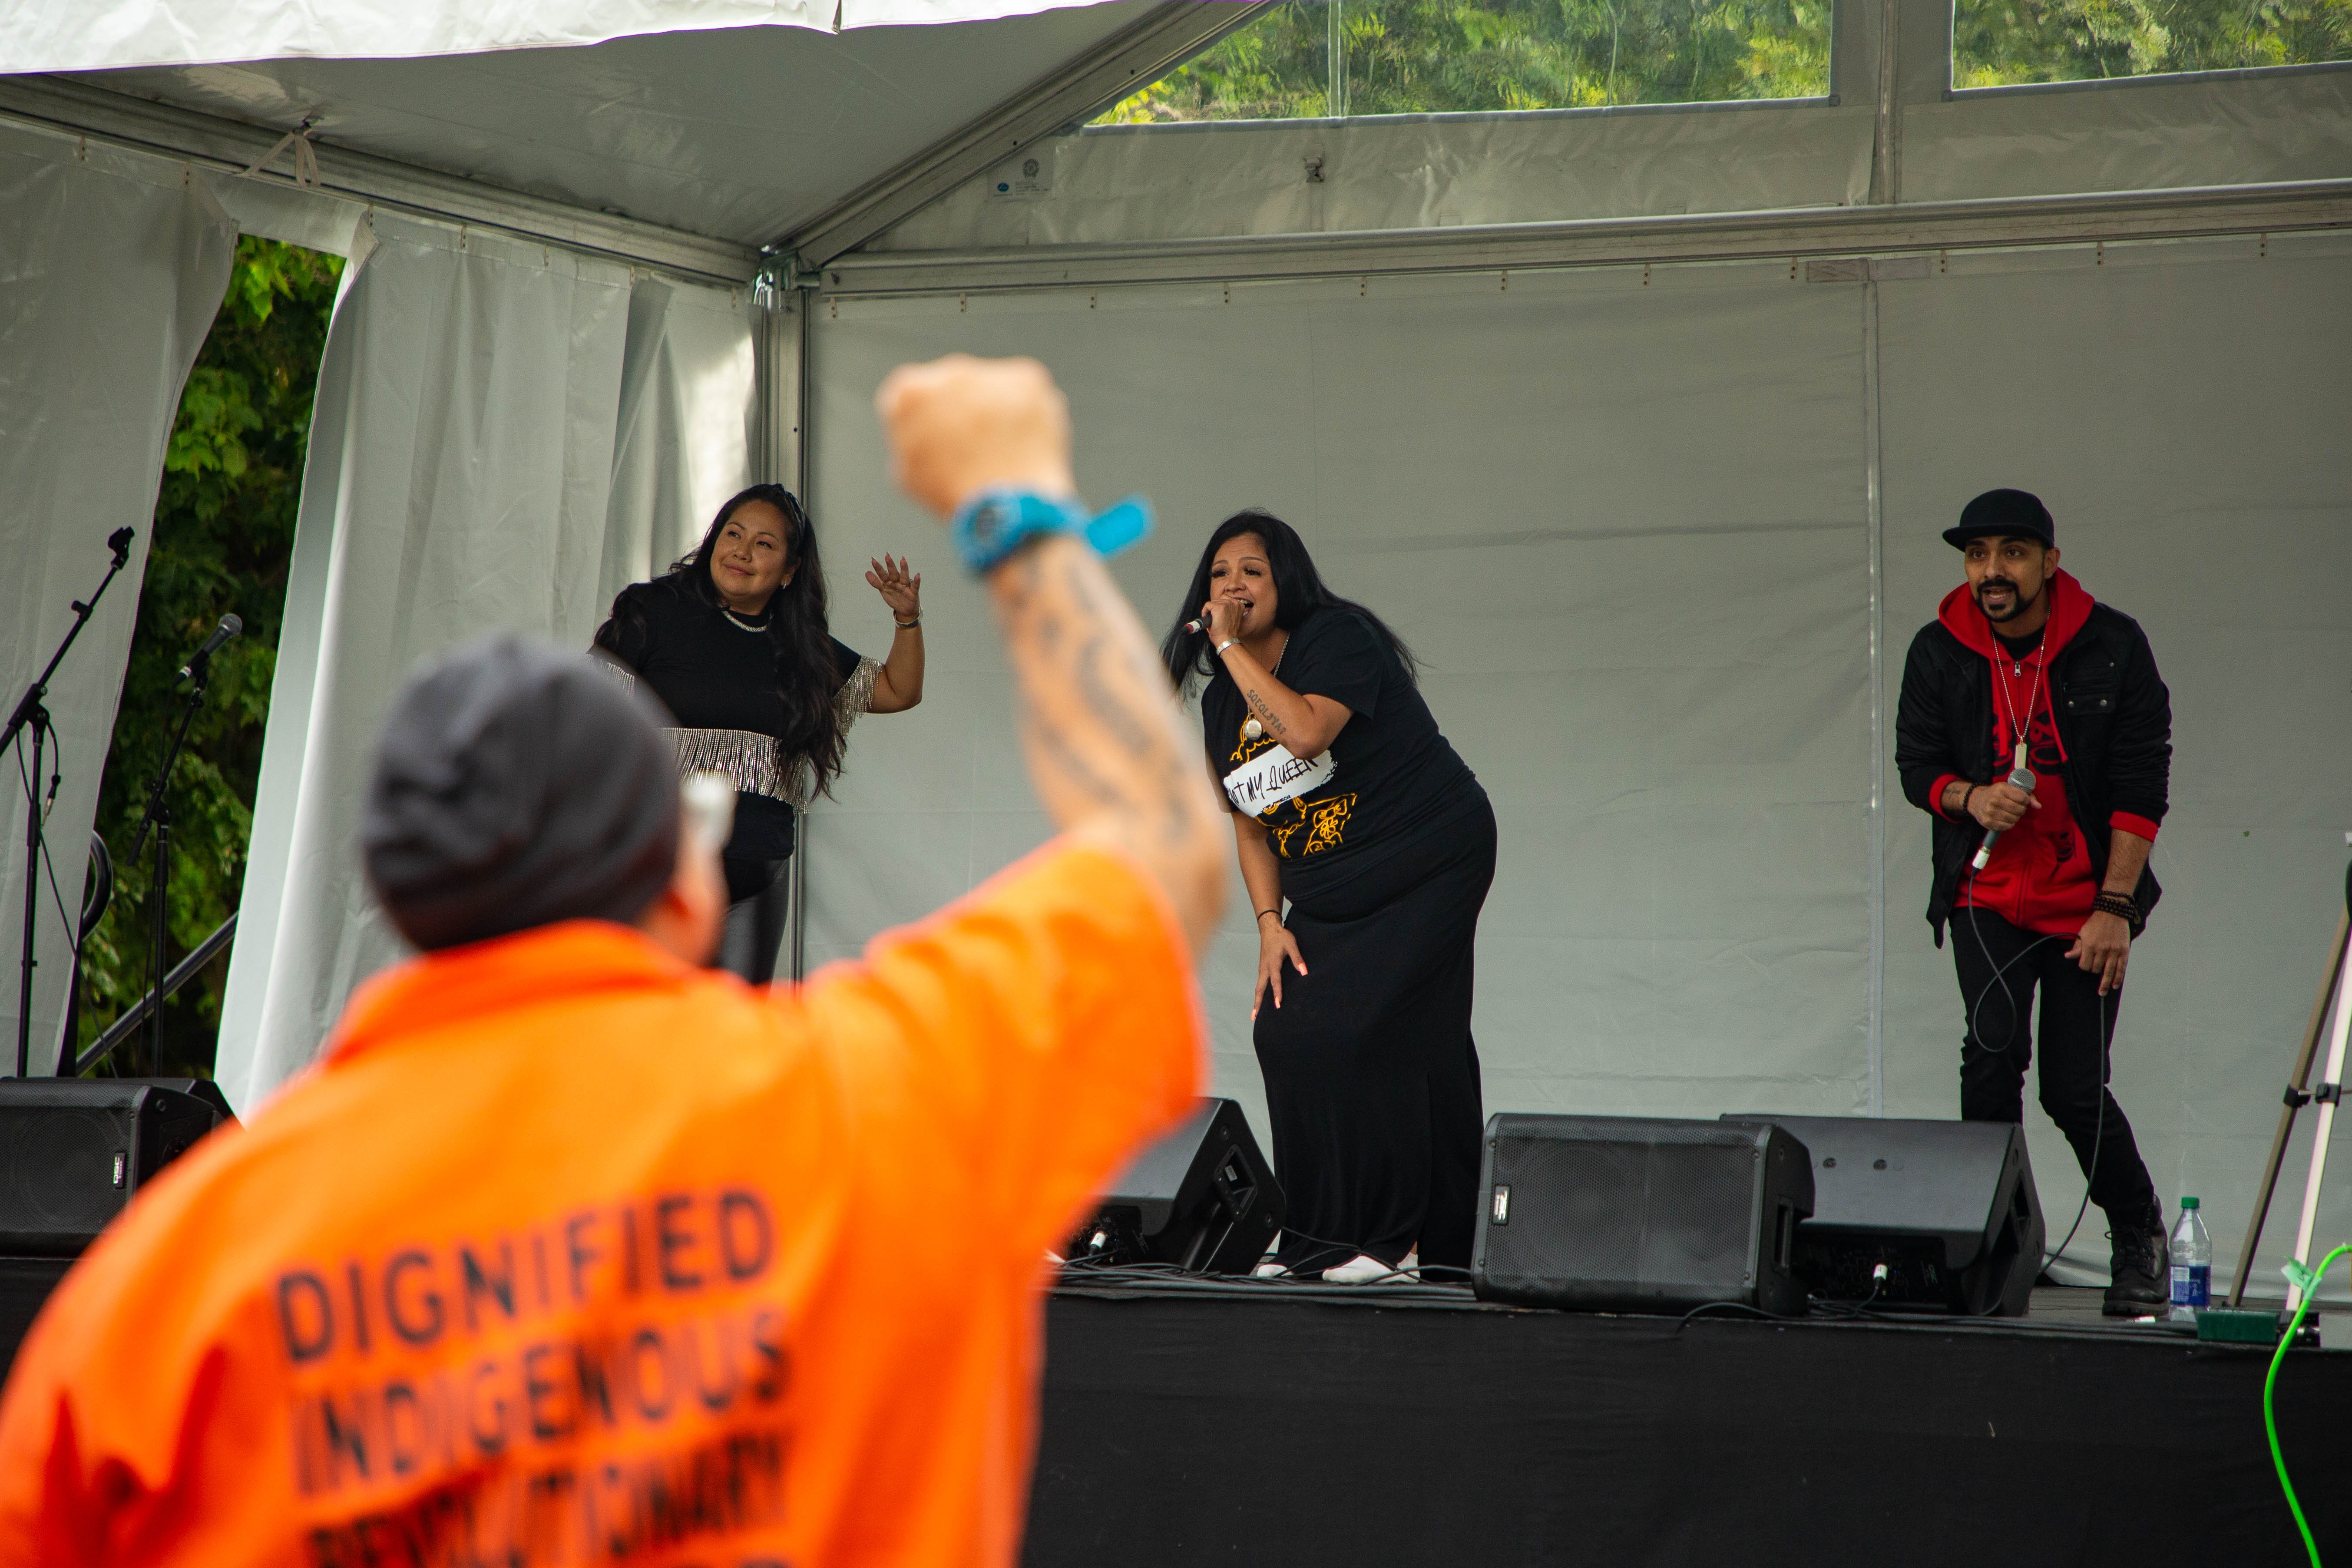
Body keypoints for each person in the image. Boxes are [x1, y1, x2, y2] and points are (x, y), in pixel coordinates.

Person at [0, 355, 1227, 1566]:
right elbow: (1150, 866)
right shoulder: (866, 1105)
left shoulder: (180, 1271)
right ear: (682, 867)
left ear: (396, 884)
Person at [1162, 511, 1494, 1284]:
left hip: (1429, 858)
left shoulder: (1339, 641)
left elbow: (1305, 733)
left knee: (1374, 1028)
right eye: (1219, 574)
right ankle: (1322, 1238)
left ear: (1288, 585)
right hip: (1333, 892)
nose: (1233, 584)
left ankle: (1394, 1242)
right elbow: (1248, 825)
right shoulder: (1220, 706)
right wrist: (1271, 924)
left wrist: (1229, 649)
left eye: (1252, 571)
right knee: (1288, 1032)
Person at [1894, 487, 2172, 1317]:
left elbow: (2140, 789)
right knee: (1990, 1060)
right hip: (1985, 894)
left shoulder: (2111, 646)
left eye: (2012, 553)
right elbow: (1918, 769)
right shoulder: (1939, 649)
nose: (1993, 571)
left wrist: (2116, 910)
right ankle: (1988, 1248)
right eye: (1978, 556)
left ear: (2050, 562)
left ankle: (2137, 1235)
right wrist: (1969, 799)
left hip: (2089, 902)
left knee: (2074, 1089)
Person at [592, 483, 925, 982]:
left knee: (735, 1036)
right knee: (650, 1022)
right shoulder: (653, 614)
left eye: (765, 544)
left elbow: (899, 690)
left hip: (756, 876)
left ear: (790, 571)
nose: (742, 552)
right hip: (658, 873)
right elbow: (591, 717)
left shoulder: (804, 650)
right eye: (734, 534)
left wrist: (907, 617)